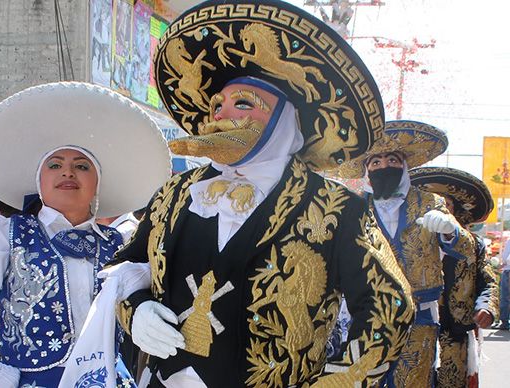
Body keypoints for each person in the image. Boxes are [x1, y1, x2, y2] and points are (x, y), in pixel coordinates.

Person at [113, 1, 414, 386]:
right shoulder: (175, 192)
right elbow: (125, 265)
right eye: (217, 104)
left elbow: (389, 308)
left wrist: (338, 382)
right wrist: (135, 311)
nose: (221, 115)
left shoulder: (338, 208)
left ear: (285, 119)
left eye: (243, 104)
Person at [0, 82, 171, 387]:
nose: (68, 172)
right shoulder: (10, 237)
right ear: (39, 179)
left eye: (81, 166)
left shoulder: (119, 246)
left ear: (97, 182)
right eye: (55, 164)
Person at [338, 120, 477, 387]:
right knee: (368, 380)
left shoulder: (429, 203)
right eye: (375, 163)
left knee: (413, 381)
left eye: (392, 160)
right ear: (367, 169)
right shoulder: (354, 207)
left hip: (420, 317)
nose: (383, 167)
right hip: (369, 314)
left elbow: (467, 250)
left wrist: (450, 232)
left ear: (404, 165)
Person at [409, 166, 499, 387]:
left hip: (455, 335)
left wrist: (487, 307)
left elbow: (488, 281)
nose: (439, 209)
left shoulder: (473, 244)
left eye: (445, 204)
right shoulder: (406, 243)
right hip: (413, 331)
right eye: (433, 204)